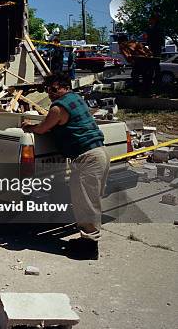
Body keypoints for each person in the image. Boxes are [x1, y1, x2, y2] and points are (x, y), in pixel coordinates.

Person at [22, 72, 110, 260]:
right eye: (48, 90)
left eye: (54, 89)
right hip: (99, 153)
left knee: (86, 203)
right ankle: (87, 241)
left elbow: (42, 129)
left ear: (65, 87)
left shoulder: (58, 108)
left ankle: (88, 246)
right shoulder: (76, 99)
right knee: (90, 202)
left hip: (87, 158)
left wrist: (29, 127)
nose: (51, 93)